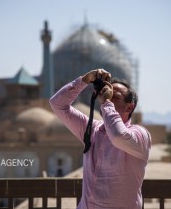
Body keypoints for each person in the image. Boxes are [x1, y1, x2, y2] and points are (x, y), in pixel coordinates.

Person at [49, 69, 151, 209]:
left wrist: (106, 104)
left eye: (115, 96)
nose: (107, 97)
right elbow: (57, 104)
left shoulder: (140, 135)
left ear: (129, 107)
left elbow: (117, 136)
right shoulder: (92, 129)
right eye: (106, 93)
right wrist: (84, 80)